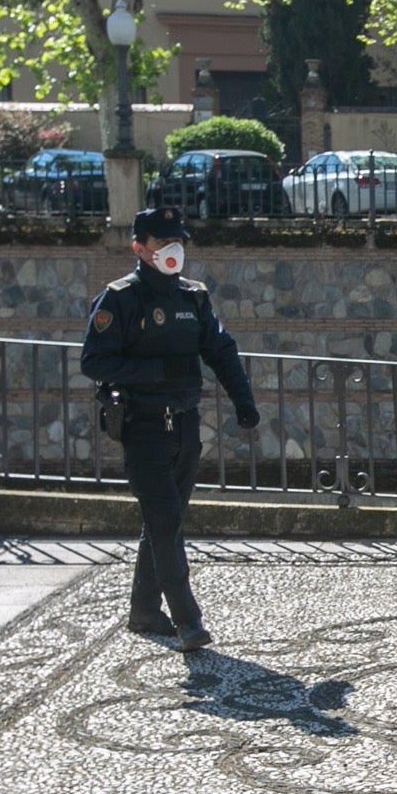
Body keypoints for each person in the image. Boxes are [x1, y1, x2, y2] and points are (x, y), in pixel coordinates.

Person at [80, 207, 260, 653]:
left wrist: (244, 401)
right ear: (139, 248)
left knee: (167, 522)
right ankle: (188, 620)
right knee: (164, 524)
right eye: (161, 243)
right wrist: (155, 371)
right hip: (142, 427)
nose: (172, 250)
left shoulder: (193, 298)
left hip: (185, 426)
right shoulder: (118, 299)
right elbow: (94, 362)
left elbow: (221, 350)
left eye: (177, 241)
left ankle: (143, 611)